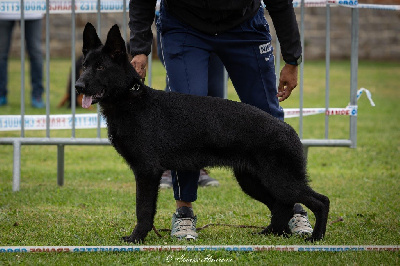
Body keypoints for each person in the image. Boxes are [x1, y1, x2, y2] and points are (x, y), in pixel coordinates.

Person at [128, 0, 312, 240]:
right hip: (185, 24)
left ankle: (292, 206)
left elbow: (280, 3)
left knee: (268, 116)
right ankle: (184, 213)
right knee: (184, 122)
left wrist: (291, 58)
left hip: (244, 24)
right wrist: (140, 47)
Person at [155, 1, 222, 189]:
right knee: (180, 97)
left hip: (220, 24)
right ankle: (169, 166)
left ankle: (198, 165)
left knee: (213, 97)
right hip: (179, 23)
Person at [0, 10, 45, 108]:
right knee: (1, 54)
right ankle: (1, 94)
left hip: (32, 10)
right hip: (4, 10)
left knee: (36, 53)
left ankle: (37, 95)